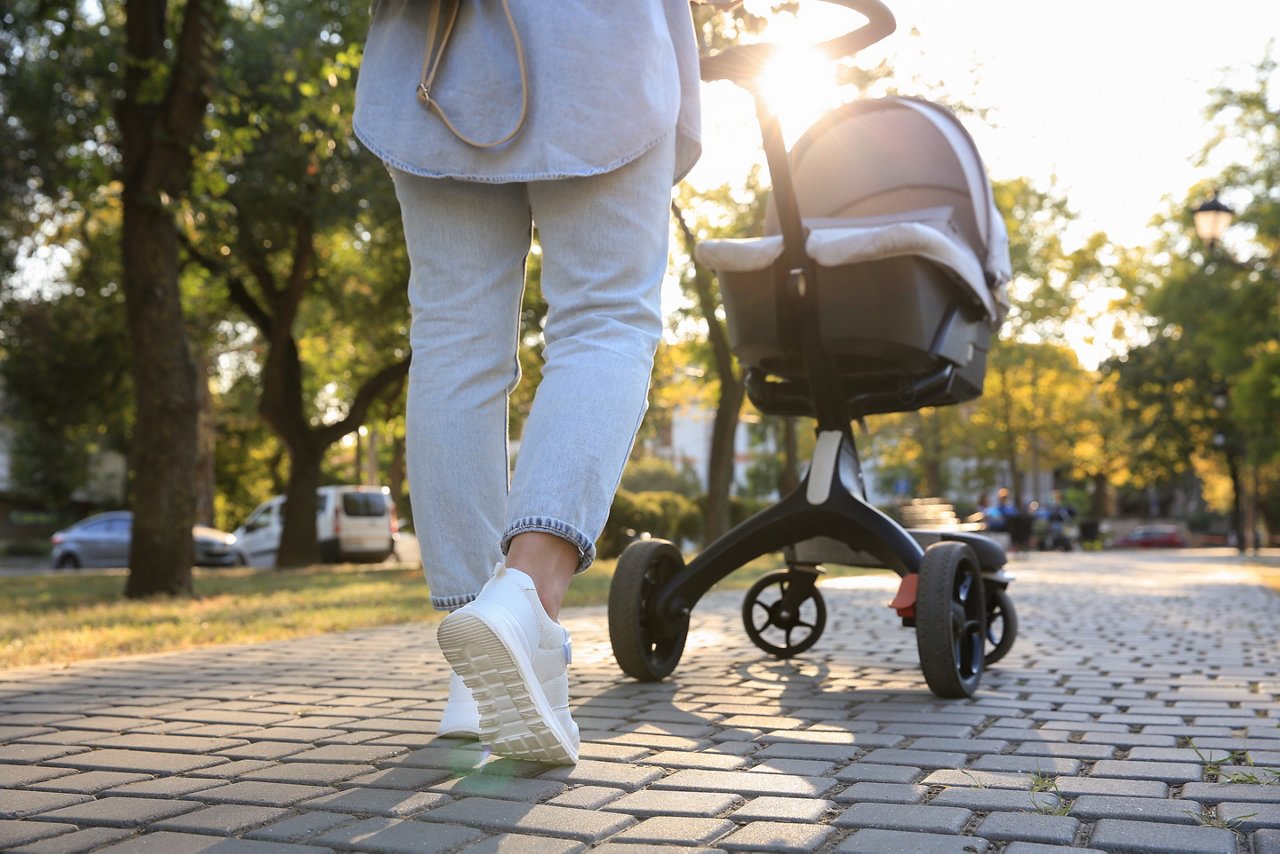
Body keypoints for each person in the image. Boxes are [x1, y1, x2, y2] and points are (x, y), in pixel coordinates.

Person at [353, 1, 729, 765]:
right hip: (595, 47)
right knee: (606, 322)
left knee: (454, 340)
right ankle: (524, 602)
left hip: (435, 54)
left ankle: (473, 668)